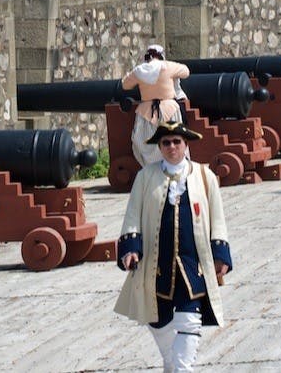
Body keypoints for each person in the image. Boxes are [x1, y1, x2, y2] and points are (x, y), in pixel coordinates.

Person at [115, 122, 232, 373]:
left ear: (186, 144)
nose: (171, 147)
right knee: (157, 321)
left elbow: (218, 219)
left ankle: (182, 368)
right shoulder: (145, 177)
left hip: (193, 263)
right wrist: (131, 249)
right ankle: (172, 362)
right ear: (159, 147)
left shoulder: (204, 176)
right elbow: (133, 214)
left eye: (177, 142)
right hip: (157, 265)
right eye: (166, 143)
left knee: (190, 319)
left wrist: (220, 255)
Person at [122, 44, 191, 168]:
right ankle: (176, 166)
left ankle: (154, 170)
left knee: (145, 143)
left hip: (147, 111)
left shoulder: (139, 70)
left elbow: (125, 85)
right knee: (174, 138)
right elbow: (186, 71)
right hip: (169, 109)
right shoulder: (168, 66)